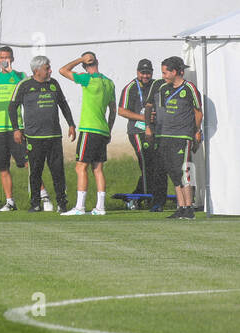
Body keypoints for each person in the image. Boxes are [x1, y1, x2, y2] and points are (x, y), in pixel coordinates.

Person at [0, 46, 46, 211]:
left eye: (7, 57)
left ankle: (43, 196)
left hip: (16, 128)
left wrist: (11, 72)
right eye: (2, 57)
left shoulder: (19, 76)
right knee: (2, 166)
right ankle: (10, 202)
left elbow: (25, 85)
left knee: (27, 163)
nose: (4, 60)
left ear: (12, 59)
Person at [8, 55, 75, 213]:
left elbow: (63, 104)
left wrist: (71, 124)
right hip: (34, 137)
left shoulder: (53, 84)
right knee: (35, 172)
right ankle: (35, 204)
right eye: (47, 68)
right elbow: (12, 107)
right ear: (37, 70)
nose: (50, 71)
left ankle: (62, 203)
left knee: (58, 171)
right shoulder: (24, 85)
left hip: (54, 136)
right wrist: (16, 129)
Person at [59, 51, 117, 216]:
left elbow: (62, 70)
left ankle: (80, 206)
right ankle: (100, 207)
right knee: (98, 169)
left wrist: (79, 59)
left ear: (85, 65)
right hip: (102, 130)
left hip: (89, 129)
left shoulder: (87, 79)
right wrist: (109, 130)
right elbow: (113, 110)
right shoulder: (109, 82)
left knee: (80, 167)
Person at [152, 56, 204, 220]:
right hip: (165, 135)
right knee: (173, 171)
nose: (163, 76)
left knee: (184, 170)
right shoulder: (164, 89)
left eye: (165, 72)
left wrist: (196, 131)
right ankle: (181, 206)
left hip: (182, 135)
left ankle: (189, 207)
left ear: (175, 72)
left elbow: (198, 112)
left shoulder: (189, 88)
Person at [116, 59, 165, 210]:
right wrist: (143, 118)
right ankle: (146, 197)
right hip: (137, 131)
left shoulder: (157, 85)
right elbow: (121, 111)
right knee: (145, 163)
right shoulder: (130, 87)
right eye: (143, 73)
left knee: (156, 165)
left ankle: (142, 195)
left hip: (155, 130)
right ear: (137, 72)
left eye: (148, 72)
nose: (145, 76)